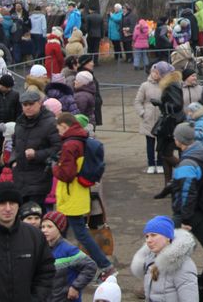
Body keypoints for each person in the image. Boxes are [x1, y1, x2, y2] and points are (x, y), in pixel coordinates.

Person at [52, 112, 115, 279]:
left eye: (59, 129)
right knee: (63, 231)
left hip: (71, 194)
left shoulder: (69, 145)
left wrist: (53, 166)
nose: (58, 132)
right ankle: (59, 262)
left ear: (64, 126)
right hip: (79, 193)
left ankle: (105, 265)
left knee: (79, 233)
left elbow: (66, 174)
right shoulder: (81, 140)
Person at [0, 182, 56, 301]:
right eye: (2, 203)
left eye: (12, 203)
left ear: (18, 205)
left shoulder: (35, 236)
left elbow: (46, 272)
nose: (8, 208)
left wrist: (36, 299)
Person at [159, 123, 203, 251]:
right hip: (201, 208)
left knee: (166, 245)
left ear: (180, 140)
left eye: (175, 136)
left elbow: (187, 193)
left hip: (187, 213)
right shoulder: (201, 154)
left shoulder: (186, 164)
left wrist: (185, 220)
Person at [131, 215, 199, 302]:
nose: (148, 240)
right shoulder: (150, 260)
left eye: (153, 235)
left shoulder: (183, 265)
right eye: (147, 236)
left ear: (167, 237)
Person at [11, 92, 61, 207]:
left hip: (40, 177)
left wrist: (37, 154)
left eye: (31, 104)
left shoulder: (50, 123)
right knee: (23, 215)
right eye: (25, 104)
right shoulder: (20, 122)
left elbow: (58, 148)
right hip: (20, 177)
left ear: (39, 104)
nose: (27, 107)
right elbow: (14, 144)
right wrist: (13, 161)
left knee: (35, 215)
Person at [40, 210, 97, 302]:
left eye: (49, 227)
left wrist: (75, 287)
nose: (44, 230)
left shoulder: (68, 249)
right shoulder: (42, 249)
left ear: (60, 228)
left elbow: (90, 266)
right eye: (42, 227)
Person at [0, 74, 19, 184]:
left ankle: (7, 181)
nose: (10, 89)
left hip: (11, 132)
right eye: (8, 87)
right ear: (2, 85)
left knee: (8, 157)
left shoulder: (14, 95)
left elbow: (18, 112)